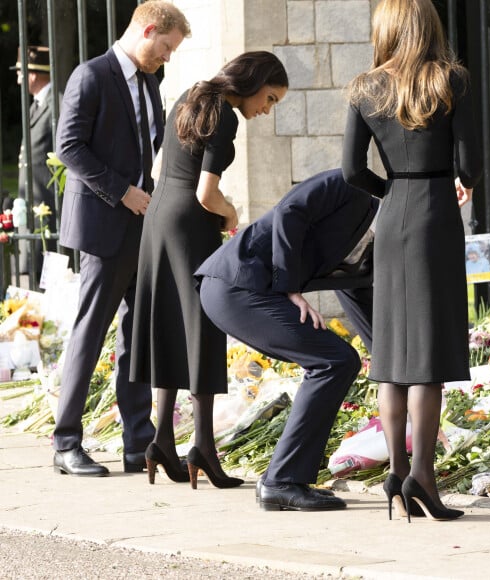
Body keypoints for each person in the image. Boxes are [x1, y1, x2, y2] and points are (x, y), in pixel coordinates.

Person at [342, 0, 482, 521]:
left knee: (393, 355)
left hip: (392, 216)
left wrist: (392, 188)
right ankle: (422, 475)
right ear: (429, 28)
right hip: (434, 216)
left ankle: (396, 473)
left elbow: (351, 172)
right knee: (428, 355)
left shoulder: (363, 88)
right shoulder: (451, 81)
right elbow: (469, 166)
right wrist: (452, 185)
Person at [130, 52, 288, 489]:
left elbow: (167, 165)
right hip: (188, 222)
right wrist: (232, 213)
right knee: (202, 327)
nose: (267, 109)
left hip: (159, 215)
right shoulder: (226, 115)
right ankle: (203, 446)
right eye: (270, 98)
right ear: (254, 82)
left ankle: (162, 440)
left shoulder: (190, 95)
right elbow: (207, 192)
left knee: (169, 324)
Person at [53, 1, 190, 477]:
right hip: (102, 224)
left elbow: (147, 150)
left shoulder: (151, 83)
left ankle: (138, 441)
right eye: (167, 47)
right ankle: (65, 443)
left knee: (137, 335)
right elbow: (68, 146)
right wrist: (122, 191)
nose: (168, 58)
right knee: (90, 333)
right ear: (148, 30)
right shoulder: (91, 76)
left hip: (140, 225)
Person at [196, 168, 378, 510]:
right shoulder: (346, 185)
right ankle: (282, 480)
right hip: (236, 285)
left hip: (249, 291)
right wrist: (291, 287)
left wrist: (389, 367)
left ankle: (281, 477)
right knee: (332, 362)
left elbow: (356, 291)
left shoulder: (375, 249)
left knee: (339, 361)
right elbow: (290, 211)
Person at [11, 46, 56, 278]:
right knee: (36, 274)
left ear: (32, 75)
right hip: (34, 205)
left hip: (48, 207)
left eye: (20, 73)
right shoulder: (37, 105)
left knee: (48, 276)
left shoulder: (55, 105)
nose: (18, 80)